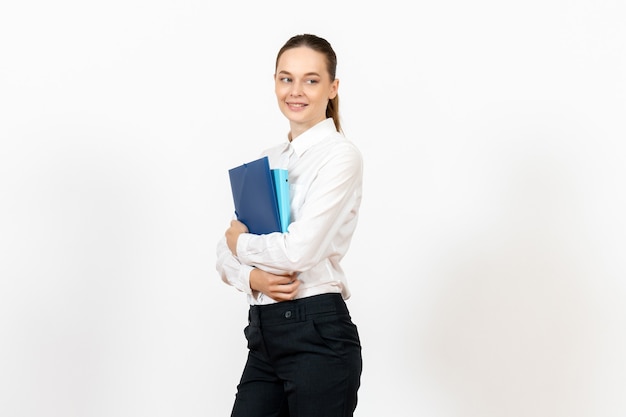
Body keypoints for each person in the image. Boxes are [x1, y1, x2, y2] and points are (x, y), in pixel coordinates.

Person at [216, 33, 363, 417]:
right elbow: (223, 253)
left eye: (311, 80)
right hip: (264, 334)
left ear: (332, 88)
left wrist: (242, 245)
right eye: (286, 78)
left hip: (317, 334)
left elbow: (298, 251)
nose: (296, 91)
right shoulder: (269, 158)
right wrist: (254, 279)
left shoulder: (340, 157)